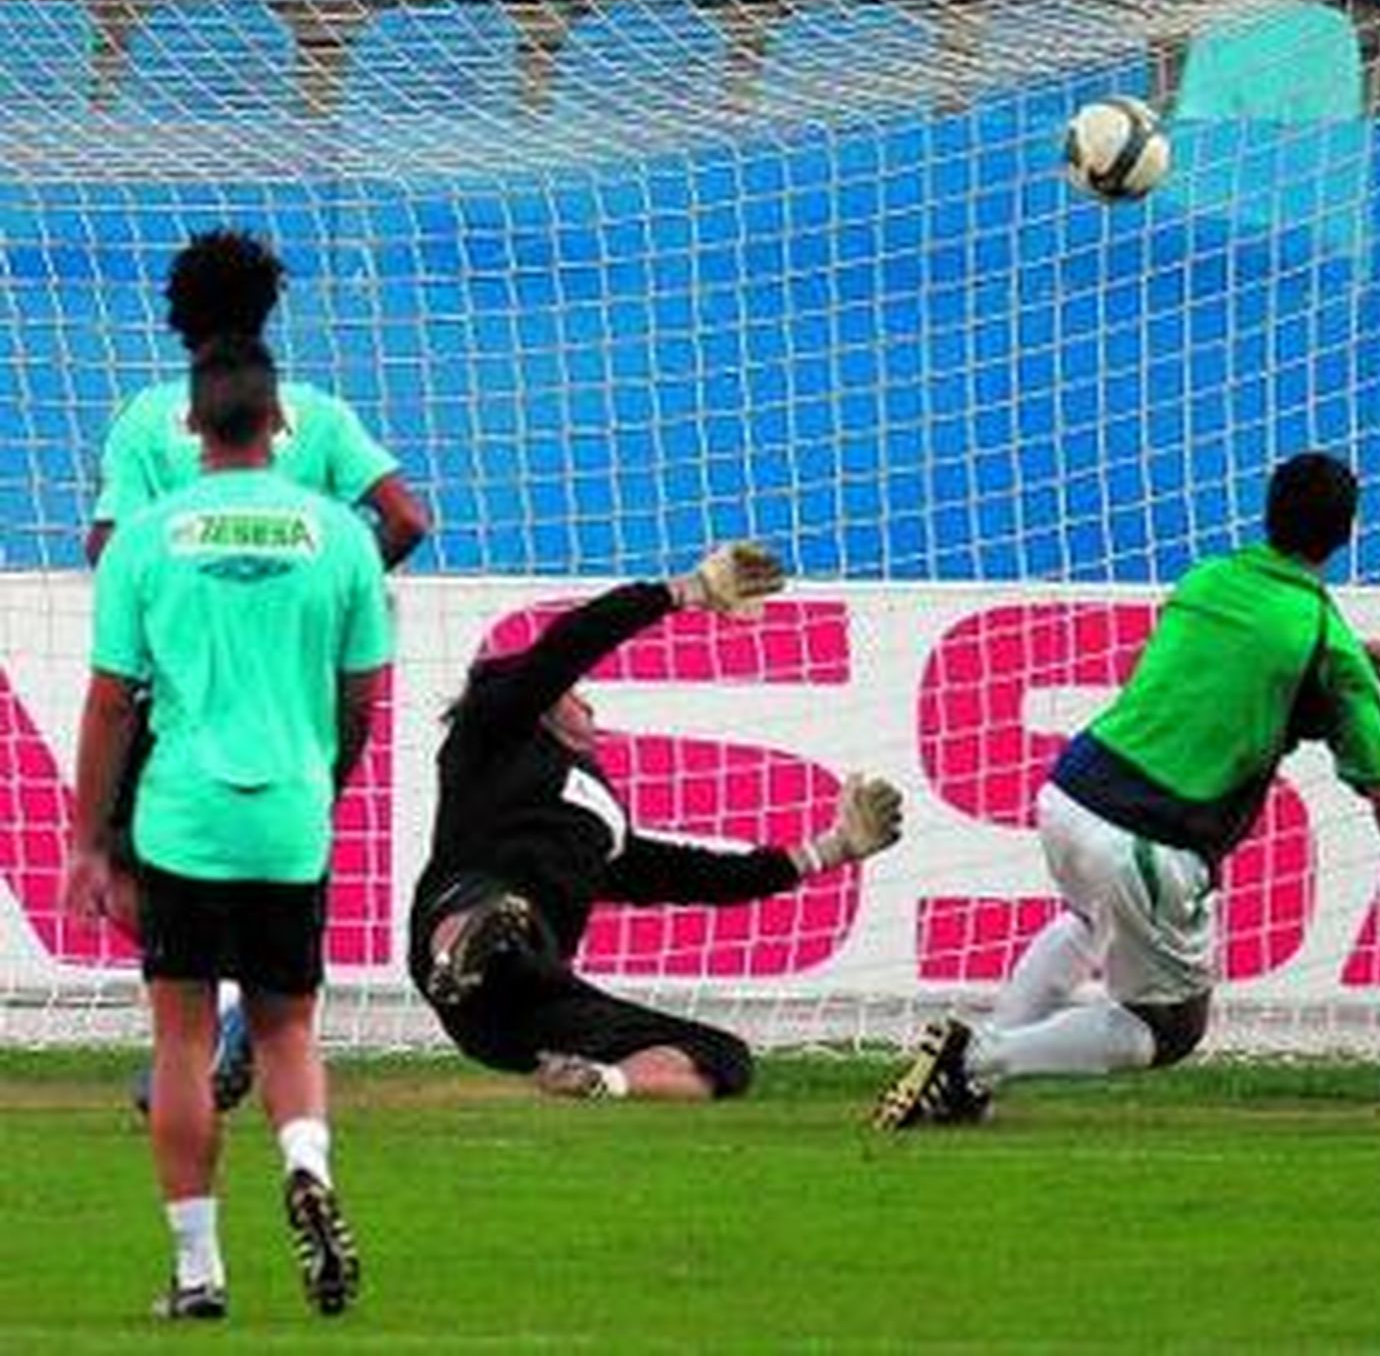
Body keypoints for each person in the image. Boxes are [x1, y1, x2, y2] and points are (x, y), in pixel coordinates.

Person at [872, 451, 1380, 1130]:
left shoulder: (1210, 577)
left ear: (1267, 510)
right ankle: (975, 1061)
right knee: (1169, 1027)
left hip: (1069, 793)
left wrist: (1350, 651)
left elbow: (1244, 647)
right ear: (1347, 534)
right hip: (1144, 835)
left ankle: (963, 1086)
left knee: (1087, 920)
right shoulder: (1326, 647)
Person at [64, 336, 391, 1319]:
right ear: (281, 425)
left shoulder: (146, 537)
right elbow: (361, 694)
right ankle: (306, 1162)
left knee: (182, 1036)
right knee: (287, 1025)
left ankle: (199, 1270)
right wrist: (323, 777)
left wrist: (87, 837)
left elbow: (112, 699)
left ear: (196, 425)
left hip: (182, 818)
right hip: (290, 811)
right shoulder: (340, 535)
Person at [89, 227, 430, 1114]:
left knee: (129, 877)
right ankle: (246, 1013)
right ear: (270, 309)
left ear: (176, 317)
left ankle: (203, 1027)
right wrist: (324, 602)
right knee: (278, 888)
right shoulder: (311, 411)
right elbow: (405, 517)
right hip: (293, 703)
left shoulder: (147, 417)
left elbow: (109, 545)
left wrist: (166, 608)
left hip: (179, 708)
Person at [409, 543, 904, 1102]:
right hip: (465, 911)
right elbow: (569, 644)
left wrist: (831, 850)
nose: (588, 705)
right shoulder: (493, 736)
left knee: (724, 1058)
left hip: (527, 1006)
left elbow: (693, 875)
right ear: (541, 702)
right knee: (497, 908)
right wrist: (682, 592)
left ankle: (602, 1080)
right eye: (574, 693)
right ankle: (461, 950)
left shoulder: (602, 825)